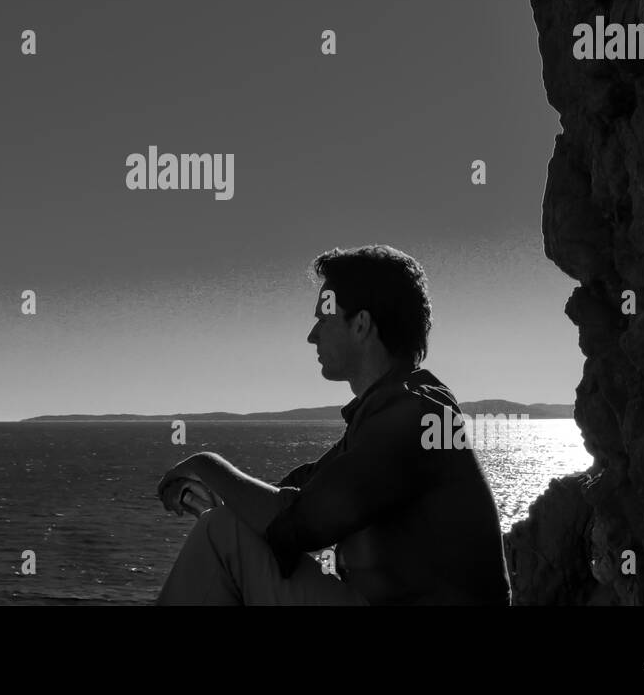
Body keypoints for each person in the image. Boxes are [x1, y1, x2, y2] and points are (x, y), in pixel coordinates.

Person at [154, 244, 511, 605]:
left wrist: (206, 464)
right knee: (229, 525)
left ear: (361, 324)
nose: (312, 335)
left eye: (324, 318)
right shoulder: (394, 409)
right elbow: (303, 491)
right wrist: (226, 495)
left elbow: (300, 522)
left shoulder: (414, 414)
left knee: (222, 533)